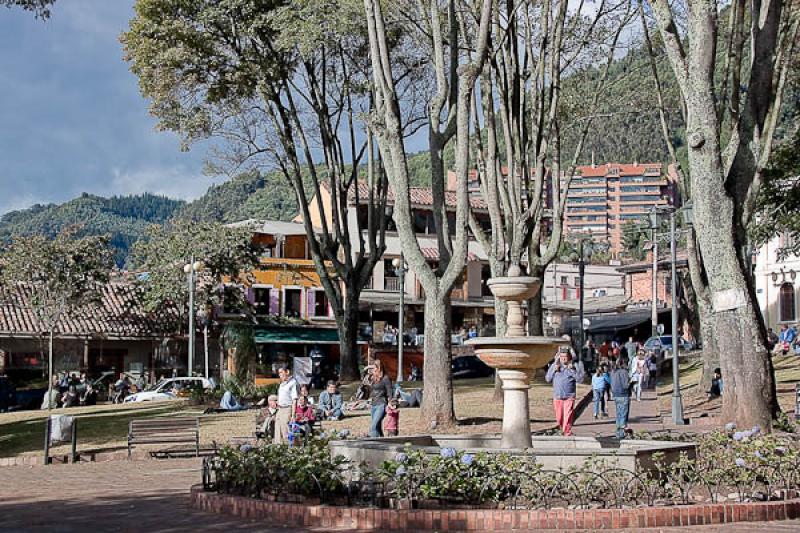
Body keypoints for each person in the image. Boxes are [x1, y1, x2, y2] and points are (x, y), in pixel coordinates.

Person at [545, 347, 585, 436]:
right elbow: (547, 379)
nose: (563, 358)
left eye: (565, 357)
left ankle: (567, 432)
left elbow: (580, 380)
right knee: (559, 417)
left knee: (568, 415)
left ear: (569, 357)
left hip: (569, 396)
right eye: (561, 356)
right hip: (557, 396)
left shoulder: (573, 366)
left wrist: (573, 370)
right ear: (559, 357)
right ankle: (561, 428)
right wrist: (554, 370)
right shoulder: (554, 366)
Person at [274, 366, 299, 444]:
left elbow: (294, 400)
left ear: (287, 372)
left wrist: (293, 415)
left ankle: (291, 450)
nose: (279, 375)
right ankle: (278, 449)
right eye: (279, 373)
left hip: (287, 409)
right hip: (280, 410)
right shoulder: (282, 384)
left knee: (286, 432)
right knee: (278, 432)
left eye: (281, 372)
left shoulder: (293, 383)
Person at [369, 359, 393, 437]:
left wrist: (390, 403)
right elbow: (371, 392)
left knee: (373, 427)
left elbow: (390, 391)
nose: (372, 370)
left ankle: (374, 444)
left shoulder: (385, 378)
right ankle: (383, 441)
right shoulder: (373, 379)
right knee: (378, 427)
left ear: (378, 368)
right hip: (373, 404)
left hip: (381, 405)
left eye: (373, 368)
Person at [610, 357, 632, 439]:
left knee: (618, 415)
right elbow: (626, 385)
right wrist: (631, 382)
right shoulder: (624, 372)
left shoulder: (613, 371)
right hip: (623, 395)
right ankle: (622, 433)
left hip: (615, 395)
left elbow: (611, 383)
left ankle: (618, 432)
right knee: (623, 415)